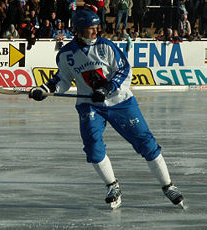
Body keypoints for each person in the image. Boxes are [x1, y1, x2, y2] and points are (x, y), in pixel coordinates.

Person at [28, 8, 184, 209]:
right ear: (78, 30)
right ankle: (112, 186)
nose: (95, 32)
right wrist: (45, 89)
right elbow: (63, 79)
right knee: (92, 145)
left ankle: (167, 185)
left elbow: (124, 70)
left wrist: (108, 87)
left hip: (120, 102)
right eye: (90, 29)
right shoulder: (67, 53)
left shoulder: (106, 47)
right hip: (89, 105)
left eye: (96, 28)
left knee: (146, 143)